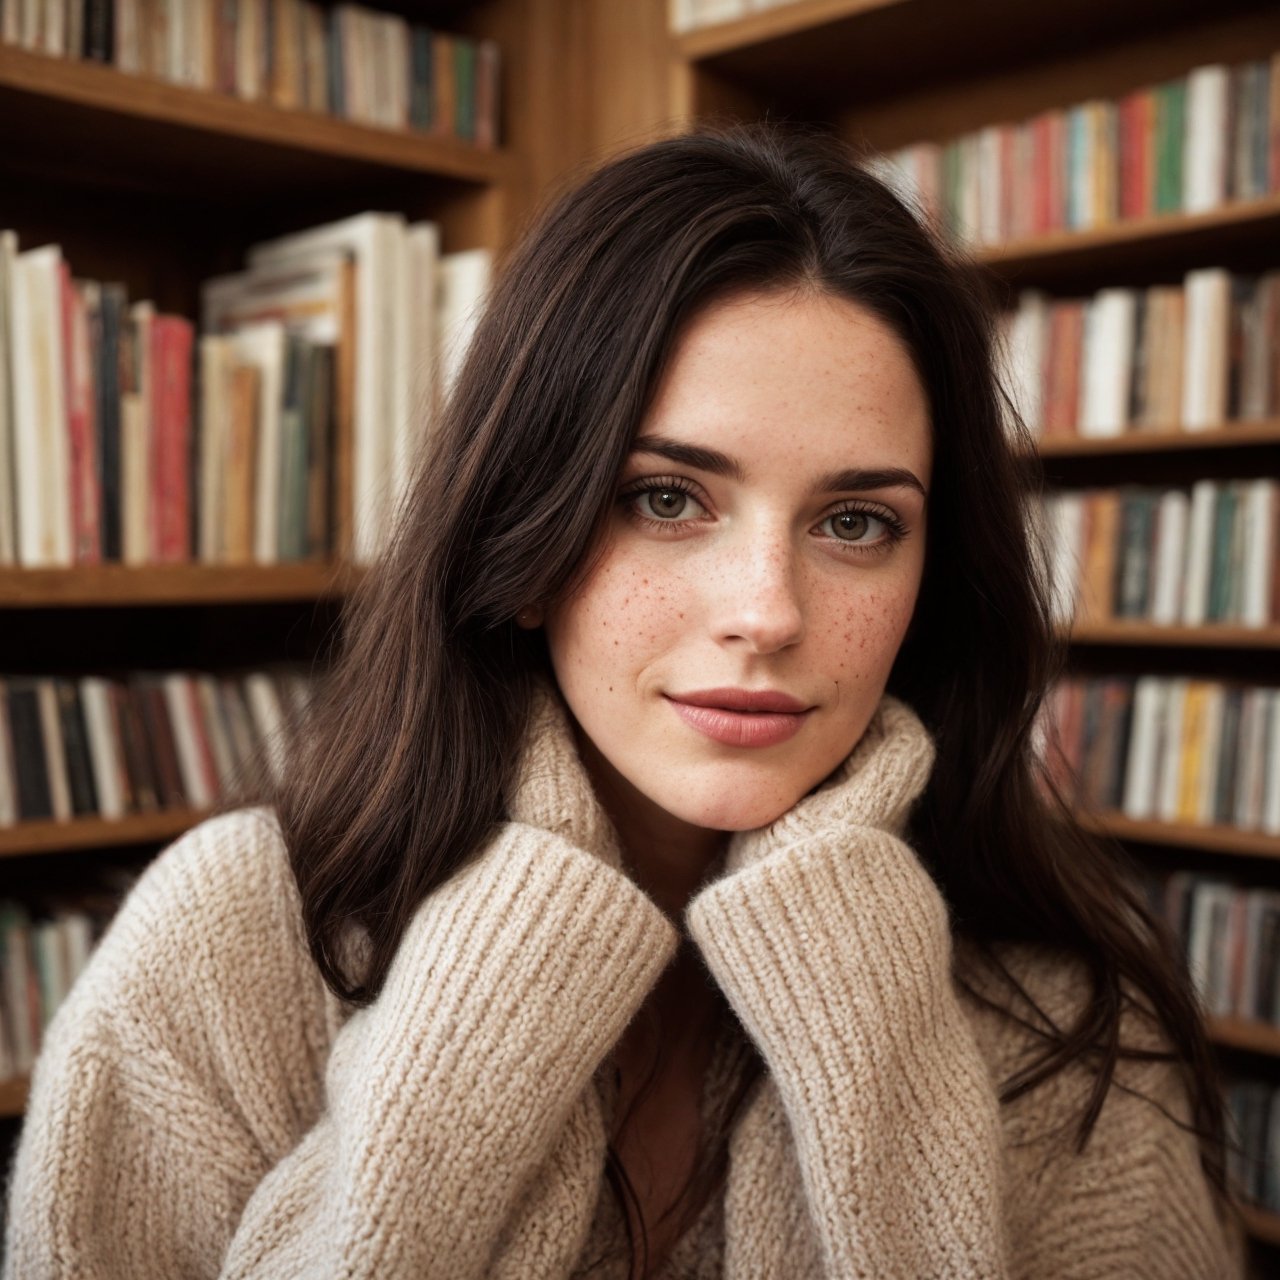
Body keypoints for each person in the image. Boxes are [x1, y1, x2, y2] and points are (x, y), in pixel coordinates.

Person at [2, 123, 1249, 1279]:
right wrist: (474, 1032)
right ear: (522, 533)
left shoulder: (1064, 1026)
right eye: (665, 498)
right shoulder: (227, 946)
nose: (766, 610)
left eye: (856, 521)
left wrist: (874, 1045)